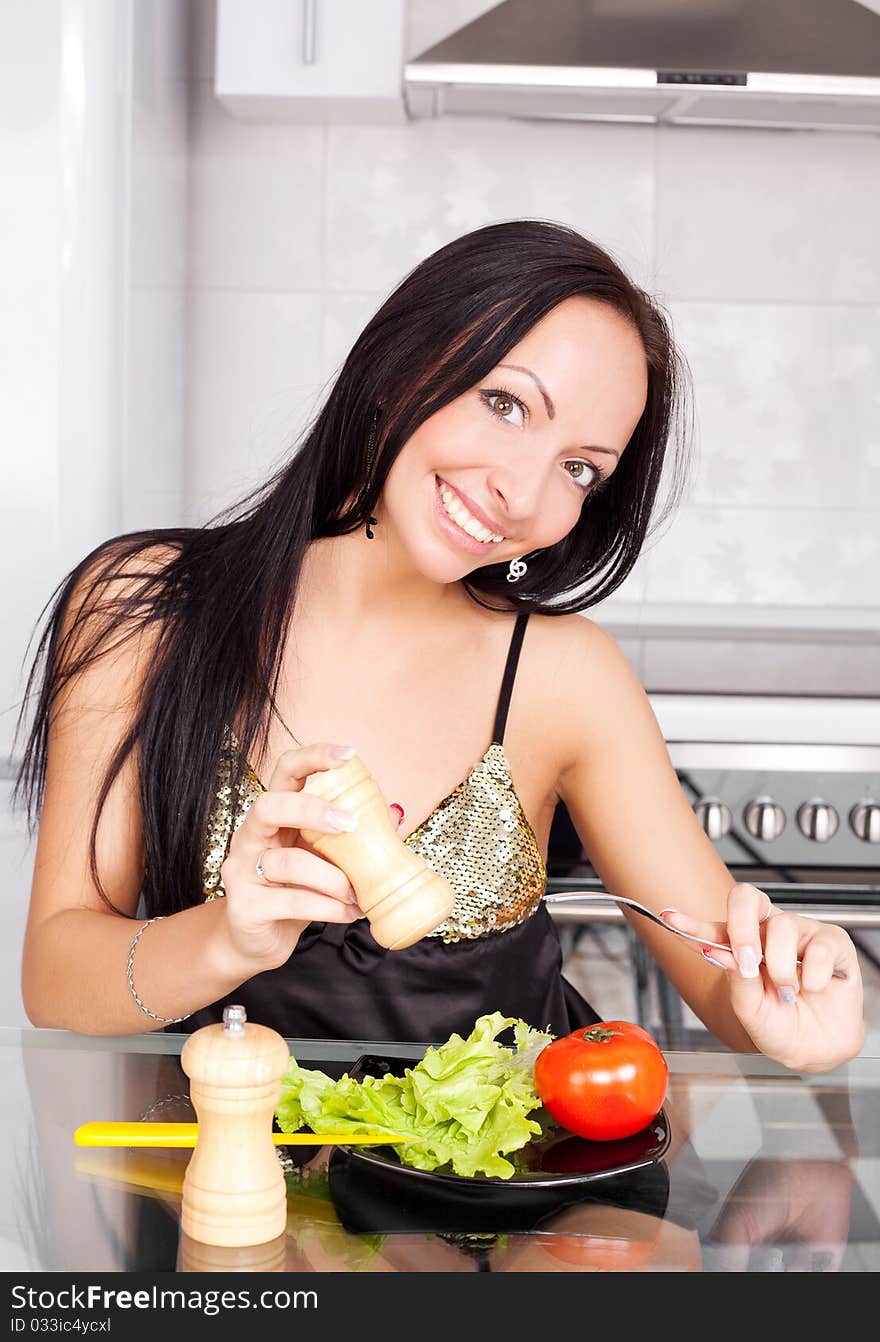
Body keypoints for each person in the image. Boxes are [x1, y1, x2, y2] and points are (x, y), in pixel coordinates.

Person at [14, 220, 864, 1072]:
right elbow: (55, 975)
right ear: (405, 368)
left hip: (503, 1195)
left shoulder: (566, 674)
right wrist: (226, 941)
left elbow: (723, 979)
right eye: (506, 404)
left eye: (581, 469)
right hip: (225, 1184)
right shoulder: (144, 604)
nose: (521, 492)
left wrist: (792, 1001)